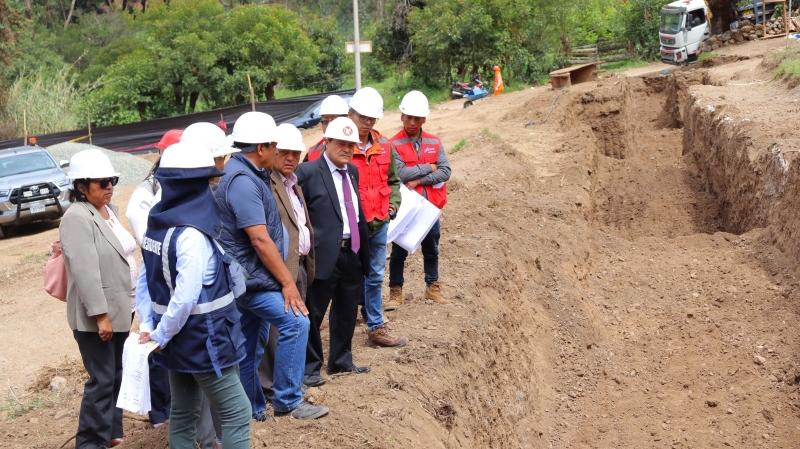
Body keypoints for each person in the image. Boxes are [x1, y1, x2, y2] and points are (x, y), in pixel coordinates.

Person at [137, 142, 251, 448]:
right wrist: (161, 334)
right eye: (207, 181)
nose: (211, 188)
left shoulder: (155, 228)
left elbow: (145, 282)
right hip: (205, 339)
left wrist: (152, 329)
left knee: (184, 413)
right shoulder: (191, 236)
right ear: (192, 186)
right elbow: (186, 297)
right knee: (238, 412)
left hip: (176, 340)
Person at [214, 112, 328, 420]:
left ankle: (251, 408)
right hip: (253, 280)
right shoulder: (242, 181)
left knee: (251, 343)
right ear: (261, 147)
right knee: (296, 322)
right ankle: (288, 400)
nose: (278, 151)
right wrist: (288, 284)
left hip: (252, 277)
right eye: (274, 145)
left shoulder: (248, 173)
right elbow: (260, 240)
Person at [60, 149, 133, 449]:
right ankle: (90, 443)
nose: (109, 187)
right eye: (102, 182)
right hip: (98, 317)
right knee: (102, 380)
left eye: (112, 180)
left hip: (120, 308)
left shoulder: (108, 210)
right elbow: (85, 271)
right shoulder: (77, 217)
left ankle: (110, 432)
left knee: (115, 374)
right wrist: (100, 315)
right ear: (81, 186)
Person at [296, 117, 372, 387]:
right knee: (314, 312)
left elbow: (356, 212)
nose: (347, 150)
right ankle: (310, 368)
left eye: (351, 145)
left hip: (351, 251)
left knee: (347, 309)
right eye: (341, 143)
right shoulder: (306, 172)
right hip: (322, 255)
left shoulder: (352, 171)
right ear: (327, 142)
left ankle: (340, 361)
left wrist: (364, 251)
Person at [346, 87, 407, 348]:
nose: (368, 123)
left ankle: (375, 326)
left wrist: (392, 207)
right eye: (363, 118)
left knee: (375, 276)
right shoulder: (341, 146)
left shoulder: (384, 146)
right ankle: (343, 330)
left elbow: (394, 181)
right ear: (350, 115)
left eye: (372, 119)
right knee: (348, 278)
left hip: (379, 221)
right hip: (351, 228)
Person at [260, 124, 315, 402]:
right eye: (284, 152)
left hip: (299, 266)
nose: (290, 158)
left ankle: (290, 382)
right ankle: (272, 388)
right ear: (273, 151)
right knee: (276, 332)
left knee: (293, 328)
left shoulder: (293, 183)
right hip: (281, 269)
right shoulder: (268, 184)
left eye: (295, 153)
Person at [387, 91, 452, 310]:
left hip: (430, 205)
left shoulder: (435, 141)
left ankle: (432, 287)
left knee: (432, 247)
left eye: (417, 118)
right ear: (402, 116)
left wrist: (418, 180)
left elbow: (445, 171)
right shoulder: (392, 144)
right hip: (404, 206)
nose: (412, 122)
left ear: (424, 118)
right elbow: (401, 173)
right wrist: (429, 168)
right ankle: (395, 292)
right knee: (398, 250)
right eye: (408, 117)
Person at [304, 94, 350, 162]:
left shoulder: (358, 150)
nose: (329, 126)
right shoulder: (312, 152)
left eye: (334, 121)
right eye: (325, 122)